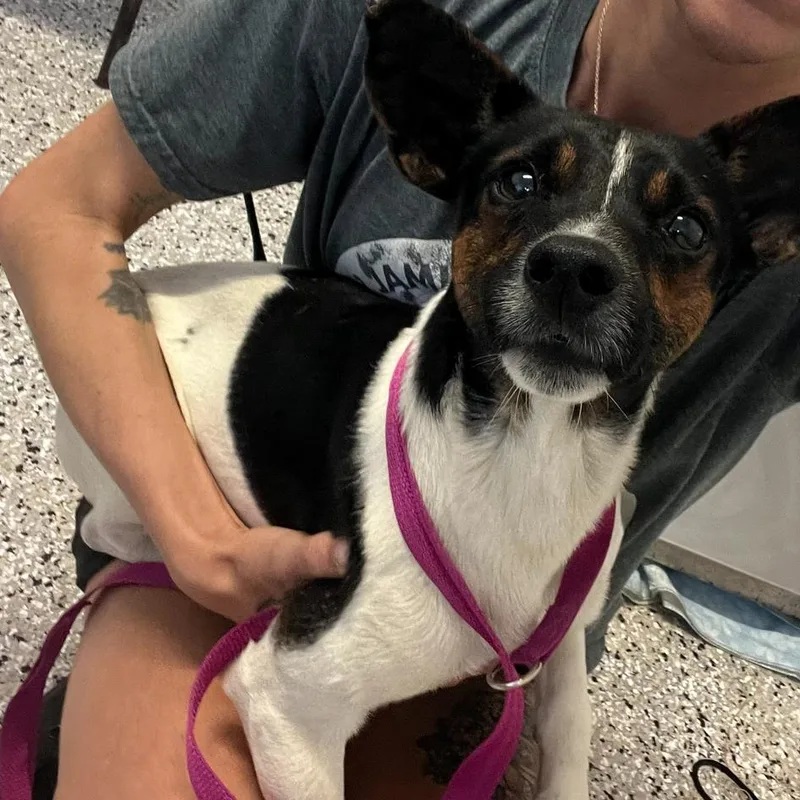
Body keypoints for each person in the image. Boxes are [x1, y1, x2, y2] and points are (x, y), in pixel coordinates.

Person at [0, 0, 798, 797]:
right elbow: (52, 208)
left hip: (500, 604)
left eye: (685, 232)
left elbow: (566, 631)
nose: (580, 263)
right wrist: (191, 533)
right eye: (523, 185)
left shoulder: (599, 520)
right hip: (184, 484)